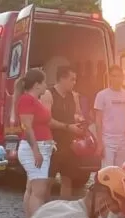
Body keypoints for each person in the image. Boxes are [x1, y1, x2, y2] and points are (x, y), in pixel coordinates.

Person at [13, 68, 82, 218]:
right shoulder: (27, 100)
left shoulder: (34, 101)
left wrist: (66, 126)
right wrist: (36, 151)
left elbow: (47, 121)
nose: (46, 85)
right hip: (35, 148)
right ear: (37, 84)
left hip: (42, 147)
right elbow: (26, 127)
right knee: (39, 191)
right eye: (44, 82)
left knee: (31, 188)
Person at [48, 66, 88, 199]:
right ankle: (43, 212)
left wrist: (80, 121)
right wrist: (68, 127)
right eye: (72, 79)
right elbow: (47, 121)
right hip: (53, 143)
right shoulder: (49, 94)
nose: (74, 82)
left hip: (70, 144)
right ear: (62, 79)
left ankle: (64, 212)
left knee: (67, 179)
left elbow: (77, 114)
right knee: (48, 180)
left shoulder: (73, 96)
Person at [94, 65, 125, 167]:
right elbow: (98, 121)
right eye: (114, 76)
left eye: (119, 76)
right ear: (110, 77)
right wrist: (100, 143)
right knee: (107, 172)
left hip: (123, 140)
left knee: (120, 171)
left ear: (123, 77)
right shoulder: (102, 95)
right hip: (107, 140)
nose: (117, 79)